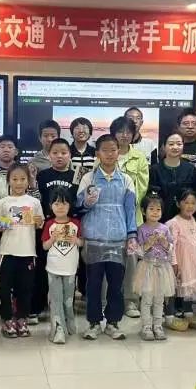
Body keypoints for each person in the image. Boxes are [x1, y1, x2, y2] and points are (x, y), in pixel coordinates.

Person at [77, 134, 138, 341]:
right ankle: (94, 323)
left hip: (118, 238)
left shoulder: (126, 180)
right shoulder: (88, 178)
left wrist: (131, 235)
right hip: (94, 238)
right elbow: (78, 207)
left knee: (116, 284)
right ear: (97, 153)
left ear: (118, 152)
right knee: (93, 284)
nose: (110, 154)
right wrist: (87, 202)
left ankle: (113, 323)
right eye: (105, 150)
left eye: (113, 150)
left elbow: (130, 210)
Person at [0, 165, 44, 338]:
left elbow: (40, 224)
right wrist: (6, 221)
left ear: (28, 181)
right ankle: (7, 319)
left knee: (25, 288)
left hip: (27, 251)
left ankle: (22, 319)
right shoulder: (3, 202)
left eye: (22, 179)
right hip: (7, 251)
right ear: (8, 181)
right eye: (14, 179)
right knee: (4, 288)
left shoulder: (34, 202)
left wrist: (38, 221)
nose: (18, 183)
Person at [34, 138, 77, 322]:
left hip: (68, 226)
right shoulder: (42, 175)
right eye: (55, 153)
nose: (59, 156)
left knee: (68, 267)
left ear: (70, 155)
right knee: (43, 266)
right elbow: (37, 199)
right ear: (49, 155)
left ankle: (67, 307)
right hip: (47, 226)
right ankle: (39, 305)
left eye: (64, 153)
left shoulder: (76, 176)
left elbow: (78, 201)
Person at [112, 116, 150, 319]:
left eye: (128, 131)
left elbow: (142, 187)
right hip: (108, 218)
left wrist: (126, 202)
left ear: (134, 135)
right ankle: (110, 300)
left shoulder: (139, 158)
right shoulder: (106, 153)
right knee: (110, 259)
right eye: (120, 131)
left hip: (131, 217)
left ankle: (131, 301)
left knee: (132, 259)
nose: (124, 135)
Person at [42, 187, 82, 344]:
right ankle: (58, 328)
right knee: (56, 299)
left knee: (68, 299)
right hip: (53, 268)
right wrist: (52, 239)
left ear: (70, 205)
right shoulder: (49, 224)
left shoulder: (75, 223)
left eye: (64, 204)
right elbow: (45, 246)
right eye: (57, 204)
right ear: (51, 206)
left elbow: (82, 242)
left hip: (70, 268)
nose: (60, 207)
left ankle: (69, 322)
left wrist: (76, 241)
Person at [133, 194, 175, 342]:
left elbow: (171, 249)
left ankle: (158, 325)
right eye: (151, 209)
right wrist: (148, 244)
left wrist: (164, 243)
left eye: (158, 209)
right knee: (147, 299)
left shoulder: (165, 229)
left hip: (163, 268)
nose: (155, 212)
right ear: (144, 211)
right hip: (147, 267)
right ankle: (146, 326)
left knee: (159, 299)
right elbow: (138, 251)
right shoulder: (141, 229)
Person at [165, 189, 196, 325]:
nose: (190, 206)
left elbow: (194, 238)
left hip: (192, 262)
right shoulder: (174, 223)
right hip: (180, 261)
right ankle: (169, 315)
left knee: (188, 288)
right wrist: (174, 262)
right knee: (173, 287)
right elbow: (171, 245)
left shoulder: (194, 220)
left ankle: (188, 312)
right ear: (178, 204)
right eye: (186, 202)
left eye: (193, 203)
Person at [149, 132, 196, 223]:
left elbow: (195, 195)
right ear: (164, 146)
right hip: (160, 219)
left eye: (179, 144)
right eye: (171, 144)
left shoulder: (190, 169)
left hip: (185, 218)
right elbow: (151, 197)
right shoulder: (155, 170)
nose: (175, 147)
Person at [0, 134, 19, 200]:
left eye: (10, 147)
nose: (6, 150)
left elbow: (34, 198)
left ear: (16, 152)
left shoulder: (25, 172)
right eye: (2, 147)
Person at [69, 117, 96, 184]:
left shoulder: (95, 152)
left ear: (90, 133)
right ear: (72, 133)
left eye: (85, 128)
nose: (81, 131)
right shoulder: (67, 151)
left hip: (90, 188)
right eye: (77, 128)